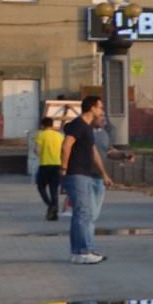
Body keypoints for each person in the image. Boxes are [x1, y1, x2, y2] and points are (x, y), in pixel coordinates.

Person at [63, 94, 110, 263]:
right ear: (92, 108)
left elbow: (93, 152)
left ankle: (82, 250)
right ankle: (82, 252)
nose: (101, 110)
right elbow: (66, 145)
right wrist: (64, 167)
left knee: (85, 213)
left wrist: (104, 173)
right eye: (100, 107)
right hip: (76, 173)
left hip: (85, 174)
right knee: (82, 213)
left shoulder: (87, 128)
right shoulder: (78, 124)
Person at [32, 114, 67, 219]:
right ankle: (54, 212)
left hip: (45, 164)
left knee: (41, 186)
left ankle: (51, 205)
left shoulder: (41, 135)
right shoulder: (60, 136)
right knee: (54, 189)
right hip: (57, 165)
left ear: (43, 125)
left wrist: (37, 153)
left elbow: (37, 150)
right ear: (52, 125)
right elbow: (64, 150)